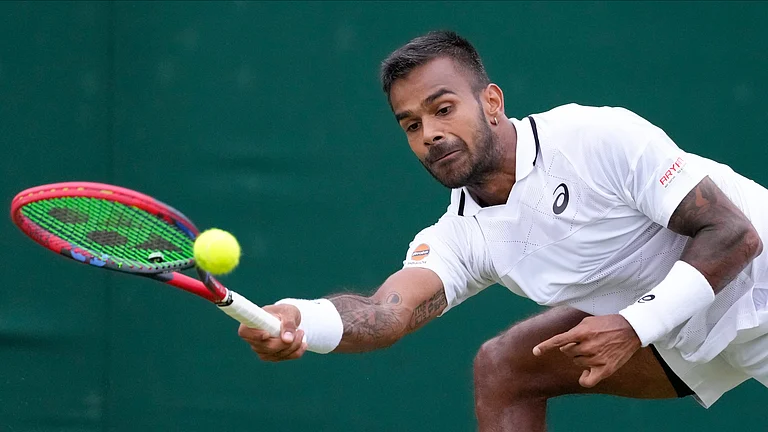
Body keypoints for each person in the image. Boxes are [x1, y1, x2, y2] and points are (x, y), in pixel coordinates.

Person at [237, 30, 768, 430]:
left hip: (756, 284)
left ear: (491, 102)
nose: (431, 135)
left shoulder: (596, 136)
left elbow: (734, 234)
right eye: (411, 125)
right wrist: (298, 319)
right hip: (683, 328)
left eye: (443, 109)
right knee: (504, 368)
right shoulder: (461, 237)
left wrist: (632, 325)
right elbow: (383, 315)